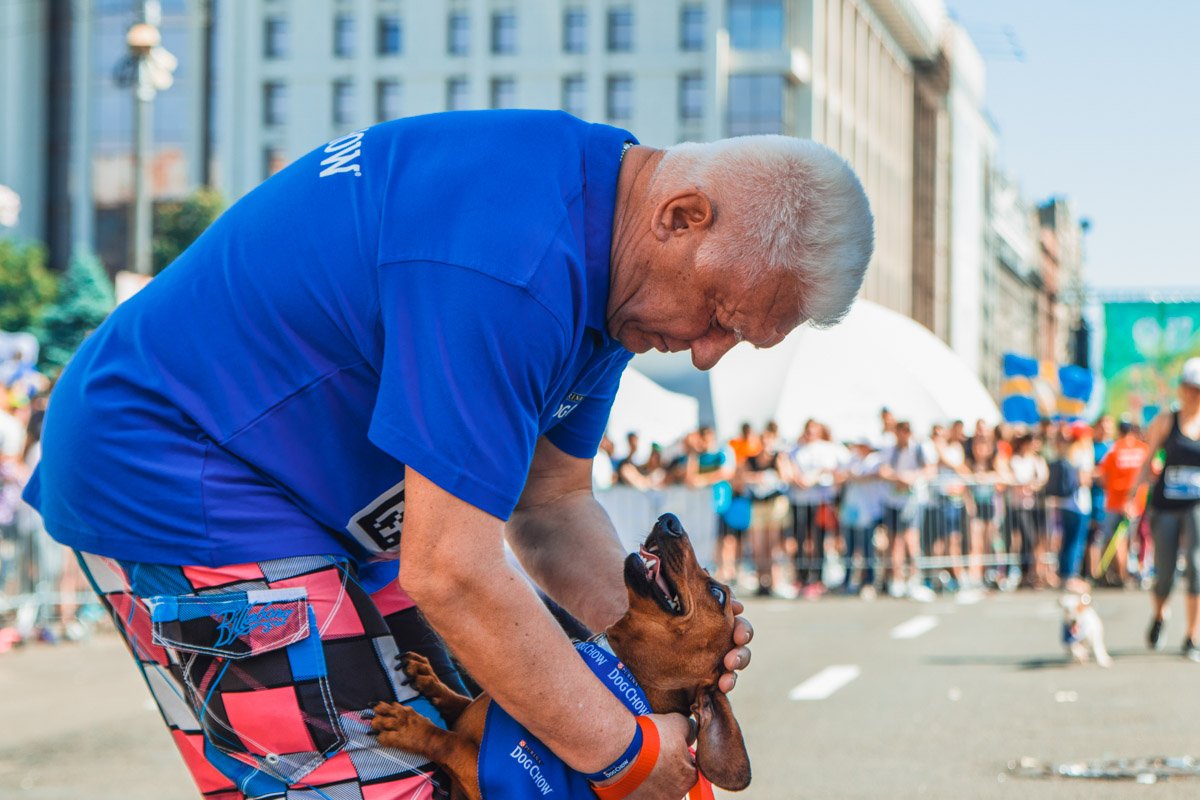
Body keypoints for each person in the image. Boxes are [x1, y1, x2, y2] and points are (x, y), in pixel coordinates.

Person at [26, 111, 876, 799]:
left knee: (469, 748)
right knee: (373, 786)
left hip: (313, 491)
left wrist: (651, 646)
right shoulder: (518, 264)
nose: (705, 355)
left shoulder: (607, 252)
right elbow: (452, 570)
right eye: (722, 313)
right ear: (682, 215)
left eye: (738, 341)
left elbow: (548, 508)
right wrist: (625, 755)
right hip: (178, 468)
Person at [1129, 358, 1200, 662]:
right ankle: (1160, 615)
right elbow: (1147, 461)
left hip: (1196, 505)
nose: (1195, 394)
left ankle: (1192, 636)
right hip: (1165, 506)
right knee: (1165, 570)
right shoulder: (1165, 421)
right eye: (1191, 388)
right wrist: (1134, 493)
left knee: (1197, 567)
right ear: (1182, 389)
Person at [878, 421, 936, 598]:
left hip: (913, 500)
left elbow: (930, 471)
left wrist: (911, 477)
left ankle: (914, 577)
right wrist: (898, 478)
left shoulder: (919, 448)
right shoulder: (891, 450)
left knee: (912, 539)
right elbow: (883, 470)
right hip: (894, 500)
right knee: (895, 540)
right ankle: (897, 579)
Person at [1094, 419, 1150, 586]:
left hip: (1115, 501)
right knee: (1126, 538)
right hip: (1136, 502)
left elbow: (1103, 475)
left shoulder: (1115, 448)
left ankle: (1121, 575)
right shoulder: (1143, 449)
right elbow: (1153, 470)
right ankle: (1122, 574)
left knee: (1117, 539)